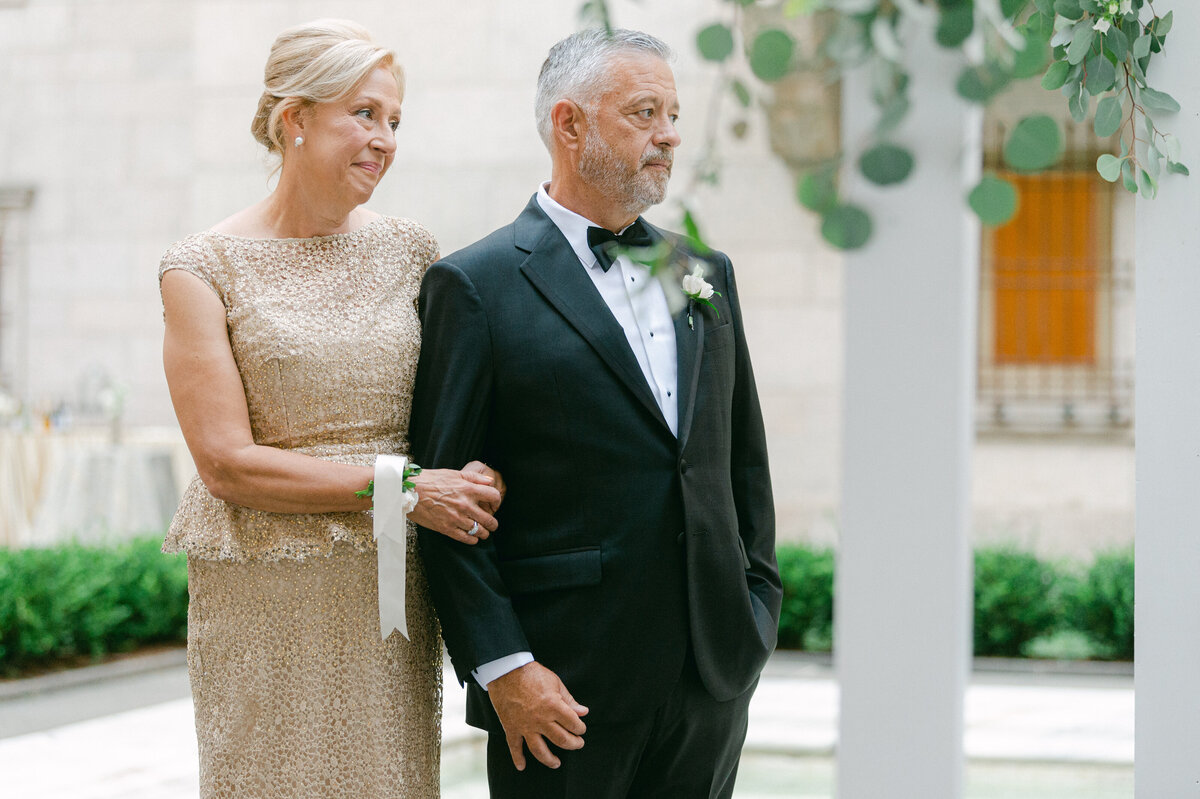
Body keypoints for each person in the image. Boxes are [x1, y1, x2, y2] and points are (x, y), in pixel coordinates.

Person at [409, 28, 781, 798]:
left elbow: (741, 458)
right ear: (569, 125)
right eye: (645, 112)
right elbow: (445, 506)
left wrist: (755, 612)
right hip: (560, 691)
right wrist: (505, 668)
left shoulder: (701, 272)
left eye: (673, 114)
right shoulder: (474, 286)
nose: (670, 135)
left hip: (711, 678)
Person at [158, 20, 502, 798]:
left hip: (387, 593)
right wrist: (404, 487)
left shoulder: (412, 251)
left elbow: (456, 405)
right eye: (364, 113)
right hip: (264, 597)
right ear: (295, 119)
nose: (384, 139)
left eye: (395, 121)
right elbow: (225, 464)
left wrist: (480, 467)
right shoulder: (201, 268)